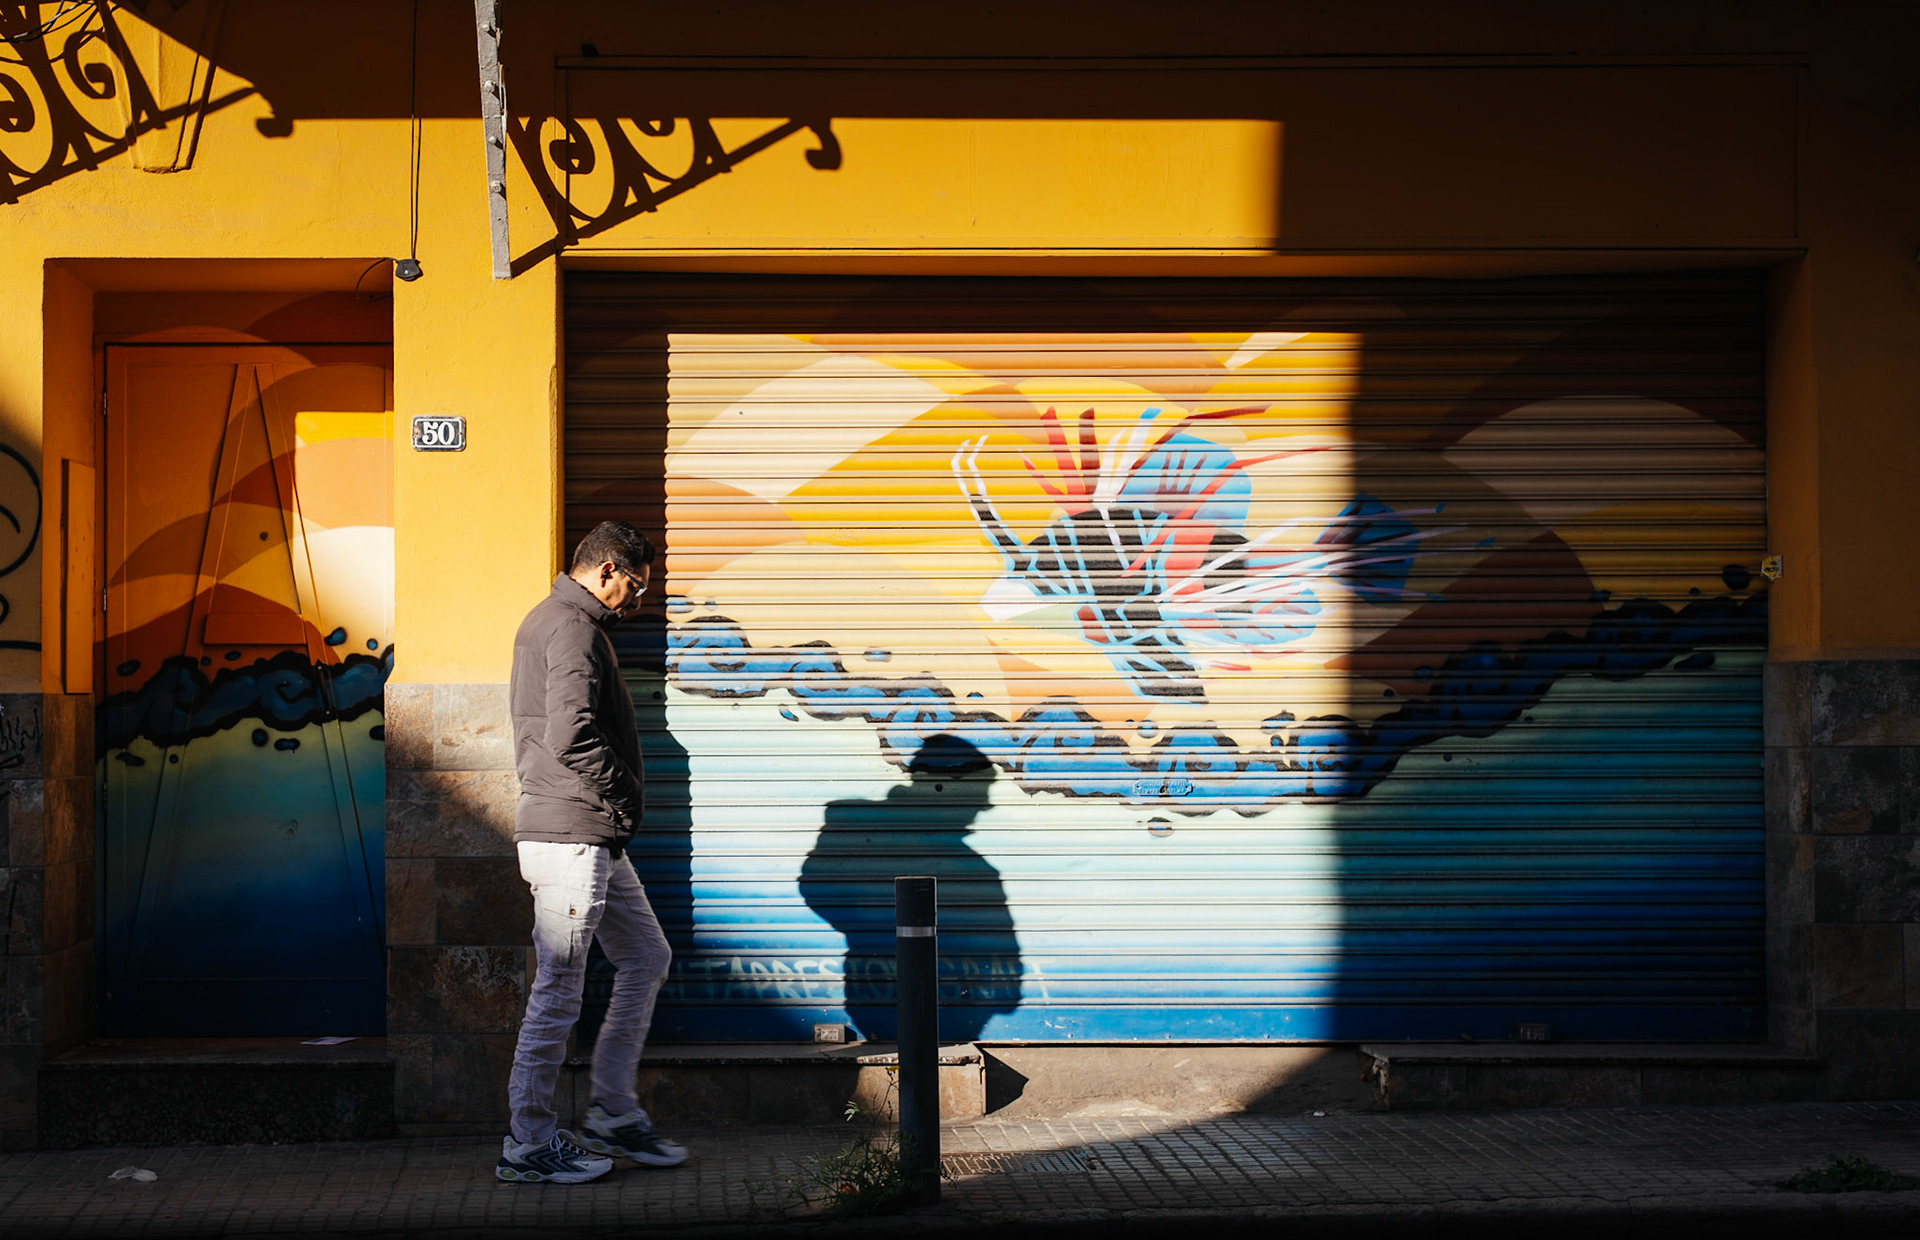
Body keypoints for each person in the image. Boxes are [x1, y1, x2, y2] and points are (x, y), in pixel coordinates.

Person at [496, 520, 688, 1184]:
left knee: (645, 957)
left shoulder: (551, 619)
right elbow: (572, 736)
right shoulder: (573, 627)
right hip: (573, 833)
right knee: (558, 989)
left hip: (586, 833)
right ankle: (529, 1141)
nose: (634, 600)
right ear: (605, 569)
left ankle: (609, 1108)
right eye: (633, 585)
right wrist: (623, 796)